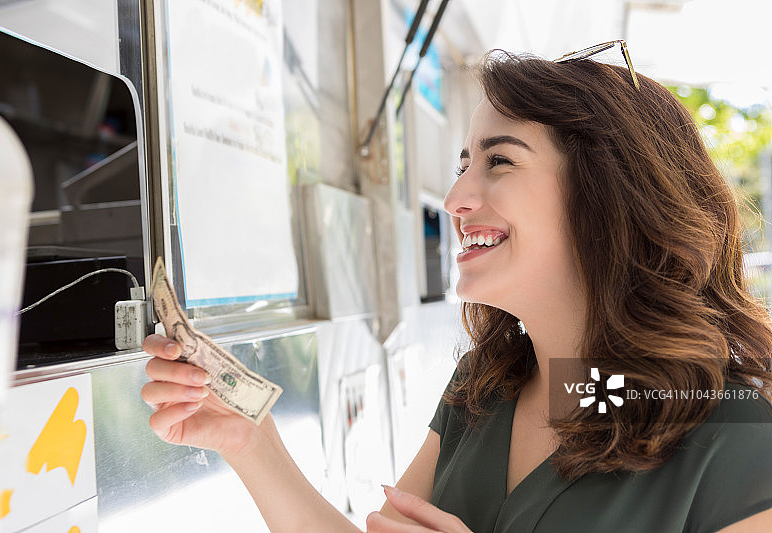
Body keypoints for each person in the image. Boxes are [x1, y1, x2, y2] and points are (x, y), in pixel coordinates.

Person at [141, 46, 772, 532]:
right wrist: (252, 442)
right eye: (464, 164)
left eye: (500, 161)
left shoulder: (738, 435)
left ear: (608, 194)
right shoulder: (488, 387)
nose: (455, 199)